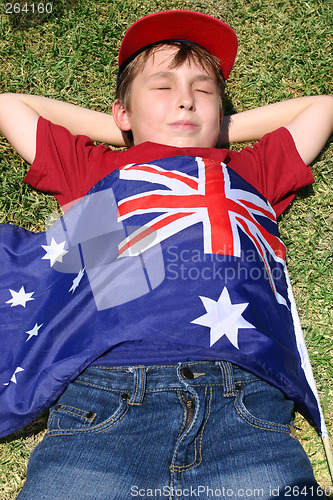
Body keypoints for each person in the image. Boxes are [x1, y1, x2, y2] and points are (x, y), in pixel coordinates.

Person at [0, 10, 332, 500]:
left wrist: (214, 129)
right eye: (162, 88)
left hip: (245, 404)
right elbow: (10, 105)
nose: (185, 99)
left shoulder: (248, 172)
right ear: (122, 111)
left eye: (203, 90)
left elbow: (324, 108)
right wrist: (126, 133)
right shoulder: (96, 170)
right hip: (104, 399)